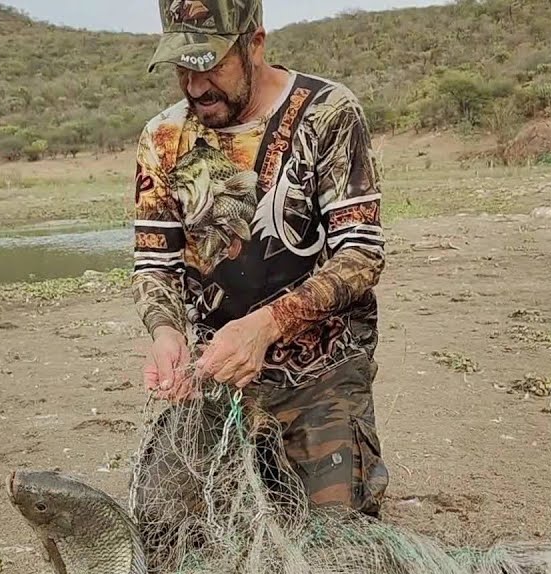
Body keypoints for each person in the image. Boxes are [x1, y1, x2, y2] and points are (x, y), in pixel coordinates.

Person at [130, 0, 389, 518]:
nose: (196, 86)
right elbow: (155, 265)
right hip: (217, 375)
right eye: (183, 67)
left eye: (211, 64)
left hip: (321, 373)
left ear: (255, 42)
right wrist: (167, 334)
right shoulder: (162, 137)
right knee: (161, 525)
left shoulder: (328, 113)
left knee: (334, 537)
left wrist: (266, 326)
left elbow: (361, 255)